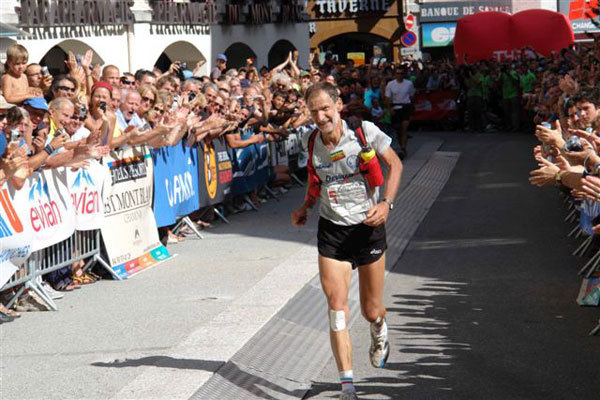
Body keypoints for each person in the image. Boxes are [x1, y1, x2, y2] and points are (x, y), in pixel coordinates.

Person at [291, 82, 403, 400]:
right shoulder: (311, 140)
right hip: (333, 231)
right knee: (336, 308)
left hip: (367, 228)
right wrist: (305, 208)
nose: (320, 116)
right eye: (314, 111)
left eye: (325, 108)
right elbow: (316, 181)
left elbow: (395, 164)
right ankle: (348, 387)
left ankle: (379, 326)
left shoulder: (364, 132)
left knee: (370, 309)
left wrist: (387, 204)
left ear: (338, 105)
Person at [385, 67, 415, 159]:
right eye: (398, 73)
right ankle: (400, 147)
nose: (399, 75)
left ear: (404, 74)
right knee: (398, 130)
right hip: (395, 108)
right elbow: (387, 97)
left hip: (405, 107)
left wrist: (411, 107)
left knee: (404, 129)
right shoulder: (390, 84)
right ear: (395, 74)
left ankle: (403, 147)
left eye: (401, 73)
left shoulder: (409, 84)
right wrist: (390, 109)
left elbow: (412, 96)